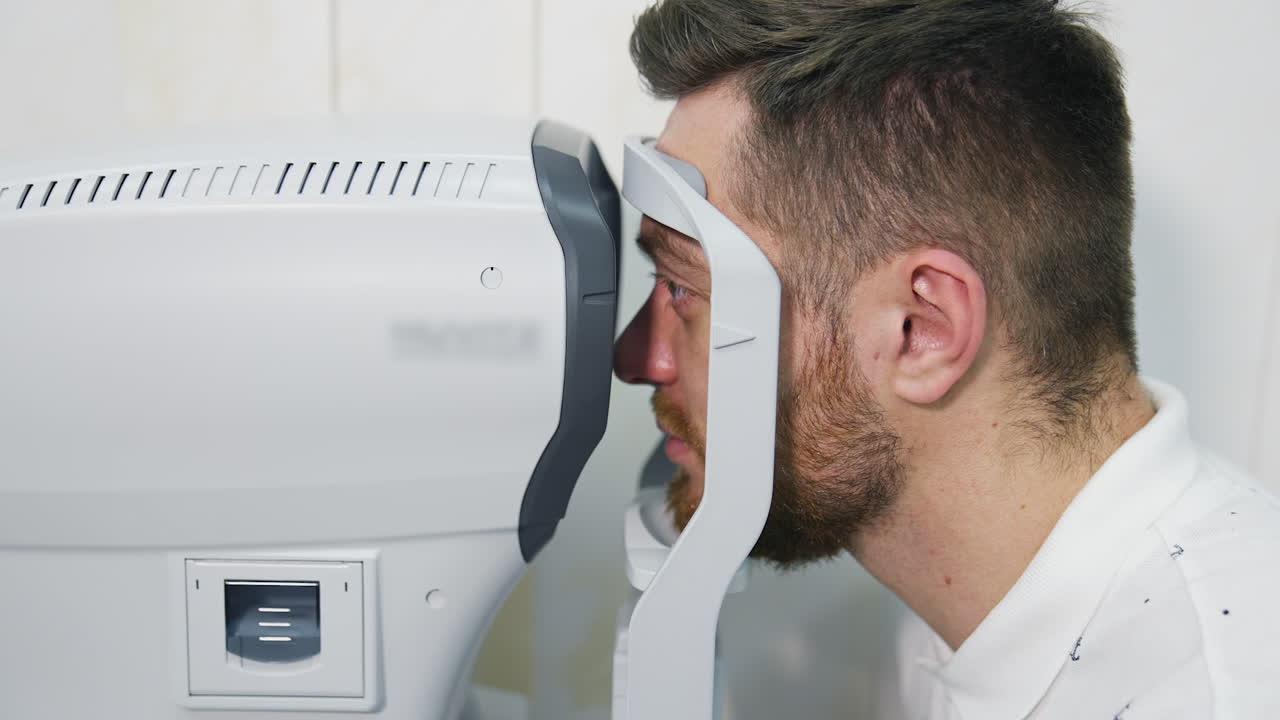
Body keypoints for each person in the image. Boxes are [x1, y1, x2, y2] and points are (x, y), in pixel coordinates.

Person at [610, 1, 1280, 718]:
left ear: (921, 328)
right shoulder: (964, 613)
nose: (636, 358)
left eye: (683, 287)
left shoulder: (1220, 691)